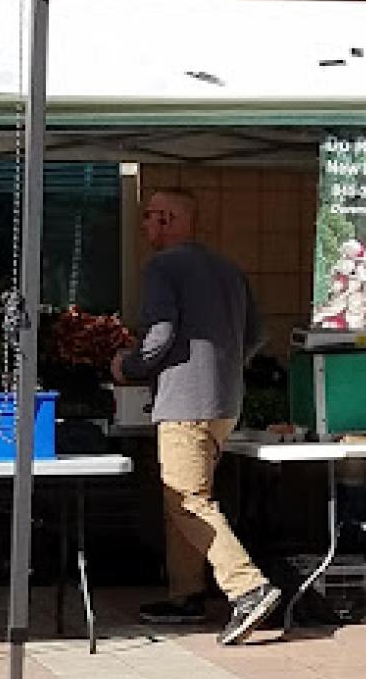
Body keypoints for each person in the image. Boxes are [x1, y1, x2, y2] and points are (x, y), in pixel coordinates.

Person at [112, 188, 281, 645]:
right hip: (225, 402)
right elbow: (258, 334)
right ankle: (185, 593)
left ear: (168, 219)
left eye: (149, 217)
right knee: (186, 499)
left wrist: (129, 366)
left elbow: (160, 333)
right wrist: (223, 369)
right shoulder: (228, 268)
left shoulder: (163, 267)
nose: (145, 226)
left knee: (186, 498)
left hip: (184, 402)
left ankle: (247, 586)